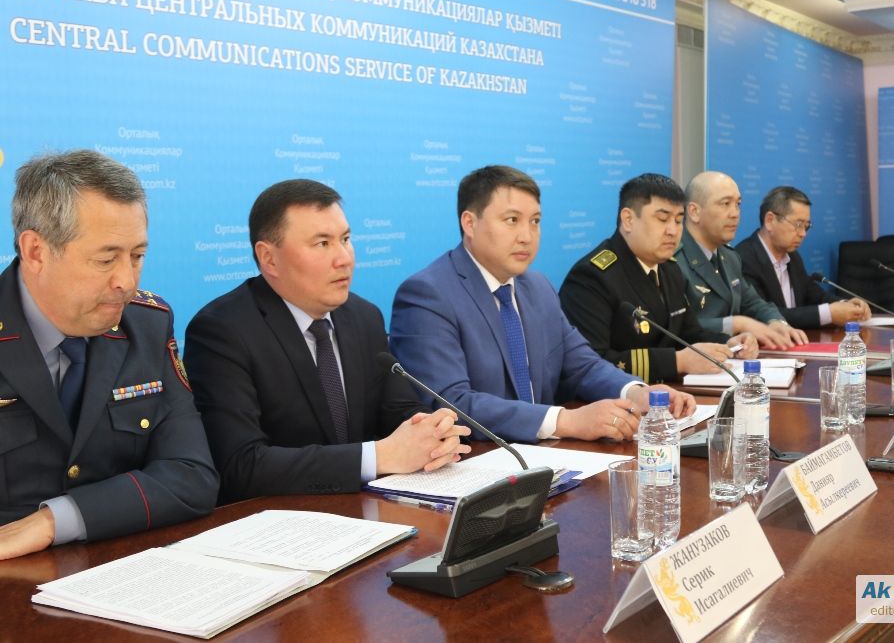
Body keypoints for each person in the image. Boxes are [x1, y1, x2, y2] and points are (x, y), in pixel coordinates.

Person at [184, 179, 469, 504]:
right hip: (282, 519)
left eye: (345, 240)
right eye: (322, 244)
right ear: (269, 258)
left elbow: (399, 410)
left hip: (364, 510)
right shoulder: (222, 332)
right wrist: (378, 457)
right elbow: (241, 465)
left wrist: (432, 433)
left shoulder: (364, 317)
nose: (344, 258)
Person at [0, 150, 218, 560]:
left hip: (121, 565)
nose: (127, 282)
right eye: (106, 259)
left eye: (137, 256)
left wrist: (56, 519)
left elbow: (192, 475)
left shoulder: (148, 324)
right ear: (36, 251)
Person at [389, 165, 697, 444]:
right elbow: (451, 403)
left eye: (535, 221)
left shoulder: (537, 287)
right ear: (470, 223)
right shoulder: (428, 295)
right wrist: (565, 421)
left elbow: (583, 365)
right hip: (475, 461)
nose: (527, 236)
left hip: (547, 459)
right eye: (512, 220)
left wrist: (637, 393)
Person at [560, 173, 758, 383]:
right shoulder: (592, 277)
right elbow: (591, 364)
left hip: (669, 393)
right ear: (628, 220)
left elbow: (689, 334)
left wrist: (729, 344)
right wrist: (677, 361)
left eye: (678, 220)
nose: (673, 231)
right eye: (662, 219)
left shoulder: (669, 269)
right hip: (617, 398)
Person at [674, 171, 809, 350]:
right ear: (694, 212)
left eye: (738, 204)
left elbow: (752, 302)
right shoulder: (672, 259)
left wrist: (776, 322)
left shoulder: (730, 256)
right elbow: (677, 327)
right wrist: (737, 324)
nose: (735, 213)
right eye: (725, 204)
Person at [735, 186, 871, 328]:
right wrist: (829, 313)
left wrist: (846, 305)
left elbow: (814, 295)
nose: (803, 234)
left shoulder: (793, 257)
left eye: (806, 226)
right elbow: (765, 316)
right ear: (770, 220)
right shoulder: (743, 259)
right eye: (798, 224)